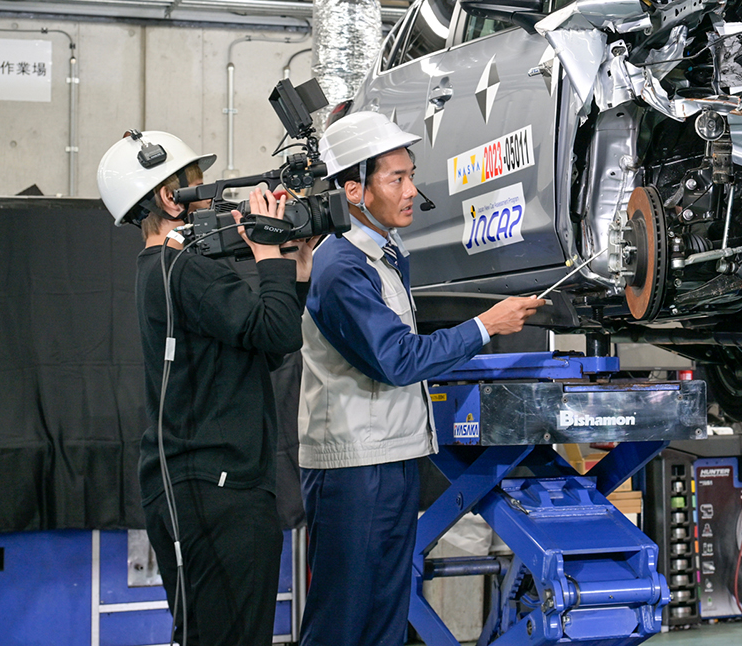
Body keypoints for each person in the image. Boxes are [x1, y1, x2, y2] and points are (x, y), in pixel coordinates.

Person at [298, 111, 542, 646]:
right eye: (396, 178)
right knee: (342, 620)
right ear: (354, 190)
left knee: (385, 615)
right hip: (353, 467)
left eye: (411, 175)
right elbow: (399, 359)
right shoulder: (342, 266)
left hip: (391, 456)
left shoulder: (384, 256)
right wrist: (485, 326)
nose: (412, 190)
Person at [96, 130, 318, 646]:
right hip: (216, 494)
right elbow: (277, 332)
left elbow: (266, 347)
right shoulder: (184, 273)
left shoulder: (167, 272)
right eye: (201, 186)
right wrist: (268, 257)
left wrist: (295, 273)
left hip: (211, 488)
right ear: (171, 197)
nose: (215, 198)